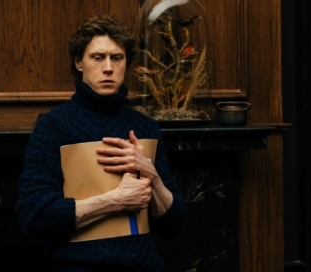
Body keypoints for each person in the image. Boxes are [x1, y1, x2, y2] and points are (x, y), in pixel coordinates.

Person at [16, 15, 187, 271]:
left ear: (126, 63)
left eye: (116, 58)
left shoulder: (146, 127)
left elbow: (174, 226)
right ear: (79, 62)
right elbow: (33, 218)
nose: (108, 68)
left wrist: (151, 175)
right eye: (97, 57)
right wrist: (114, 201)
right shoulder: (54, 126)